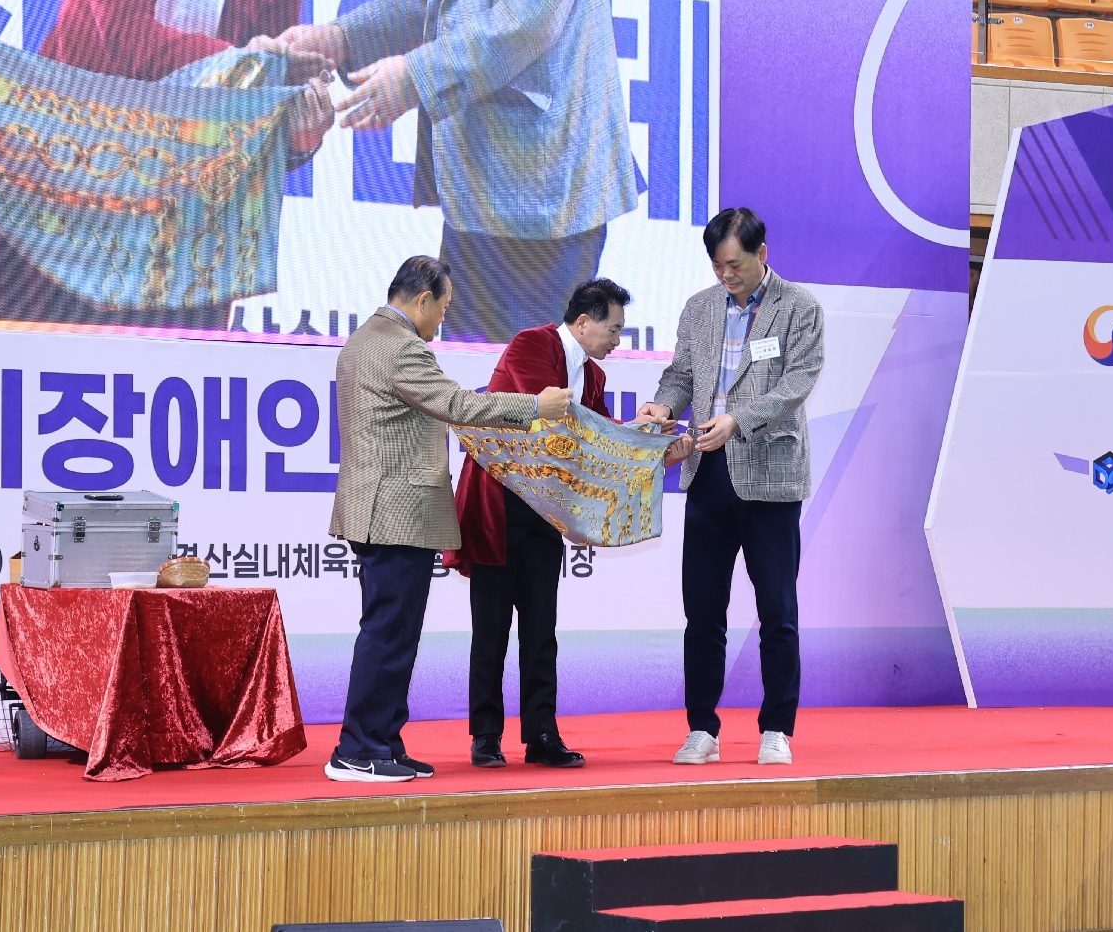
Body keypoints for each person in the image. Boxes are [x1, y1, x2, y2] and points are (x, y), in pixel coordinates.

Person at [326, 255, 572, 782]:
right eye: (443, 307)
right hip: (395, 514)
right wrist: (534, 407)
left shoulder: (364, 340)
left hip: (380, 511)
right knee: (388, 635)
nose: (443, 319)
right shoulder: (401, 348)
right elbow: (458, 405)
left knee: (393, 634)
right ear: (422, 300)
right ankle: (358, 749)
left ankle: (383, 743)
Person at [279, 0, 636, 343]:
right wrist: (343, 38)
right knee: (477, 372)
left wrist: (416, 76)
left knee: (524, 375)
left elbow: (527, 22)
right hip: (481, 192)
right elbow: (438, 6)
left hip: (541, 199)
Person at [444, 279, 693, 769]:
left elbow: (601, 449)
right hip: (499, 505)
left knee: (542, 631)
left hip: (546, 513)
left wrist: (656, 445)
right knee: (490, 629)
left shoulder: (593, 376)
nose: (618, 340)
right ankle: (486, 736)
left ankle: (541, 734)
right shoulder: (532, 345)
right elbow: (556, 427)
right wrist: (629, 435)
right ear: (583, 323)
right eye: (614, 329)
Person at [0, 0, 334, 328]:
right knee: (24, 366)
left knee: (170, 371)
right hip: (73, 188)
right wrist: (244, 64)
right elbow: (126, 39)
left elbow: (262, 112)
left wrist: (299, 133)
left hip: (189, 221)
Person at [637, 207, 825, 767]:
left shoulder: (799, 306)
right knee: (702, 612)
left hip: (770, 476)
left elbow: (798, 382)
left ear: (761, 254)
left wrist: (739, 420)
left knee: (777, 611)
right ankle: (702, 728)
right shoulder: (699, 308)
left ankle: (777, 729)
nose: (726, 275)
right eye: (718, 266)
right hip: (707, 474)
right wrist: (663, 406)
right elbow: (681, 374)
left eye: (735, 265)